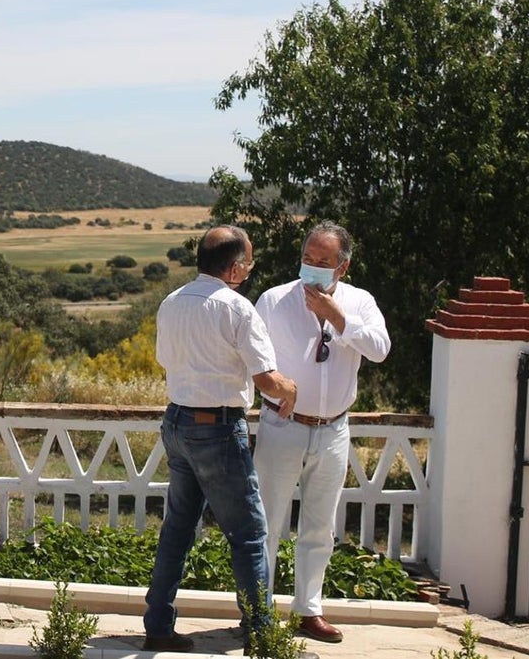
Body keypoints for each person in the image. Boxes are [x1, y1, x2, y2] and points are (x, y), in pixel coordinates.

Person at [143, 225, 299, 653]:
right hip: (218, 428)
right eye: (247, 264)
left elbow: (165, 359)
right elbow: (266, 380)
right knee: (249, 535)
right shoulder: (237, 308)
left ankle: (158, 623)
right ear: (234, 268)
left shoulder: (171, 302)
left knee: (177, 529)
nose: (248, 271)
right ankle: (261, 632)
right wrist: (289, 390)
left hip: (177, 423)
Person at [254, 221, 390, 644]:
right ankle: (258, 611)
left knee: (319, 527)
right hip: (282, 425)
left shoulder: (360, 302)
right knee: (267, 524)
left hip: (333, 429)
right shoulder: (274, 300)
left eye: (323, 262)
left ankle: (307, 611)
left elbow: (380, 350)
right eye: (307, 259)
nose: (312, 268)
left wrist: (339, 319)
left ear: (343, 266)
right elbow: (251, 357)